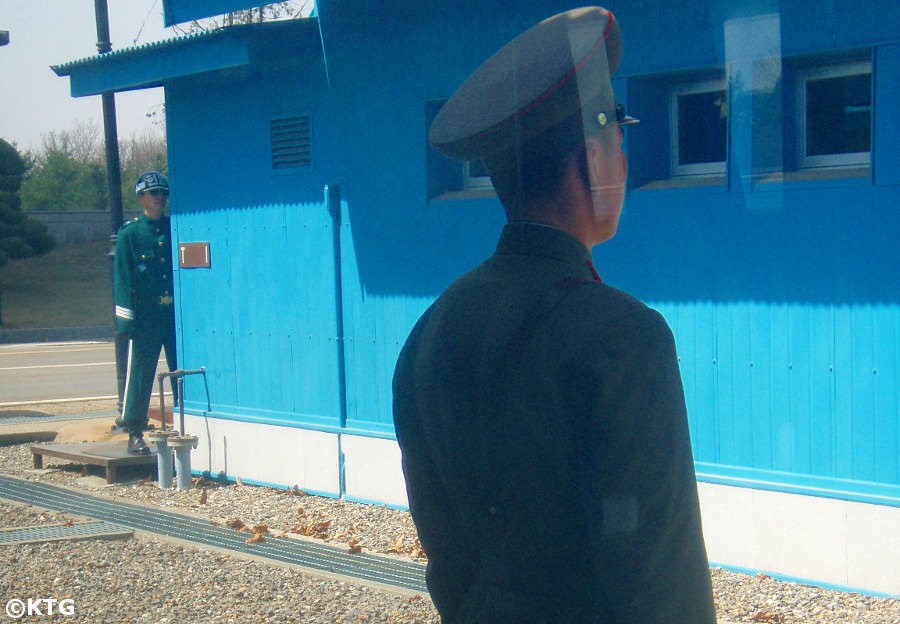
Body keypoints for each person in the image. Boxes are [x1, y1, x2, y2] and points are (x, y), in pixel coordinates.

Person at [392, 7, 716, 623]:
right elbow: (662, 583)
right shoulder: (625, 338)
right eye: (620, 137)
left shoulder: (431, 331)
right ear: (594, 160)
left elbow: (447, 557)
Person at [113, 171, 177, 455]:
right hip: (146, 314)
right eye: (153, 193)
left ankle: (188, 422)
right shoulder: (130, 234)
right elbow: (123, 279)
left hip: (173, 313)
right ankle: (134, 431)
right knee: (140, 373)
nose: (159, 198)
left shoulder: (175, 227)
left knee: (181, 371)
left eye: (163, 192)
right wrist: (125, 321)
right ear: (141, 197)